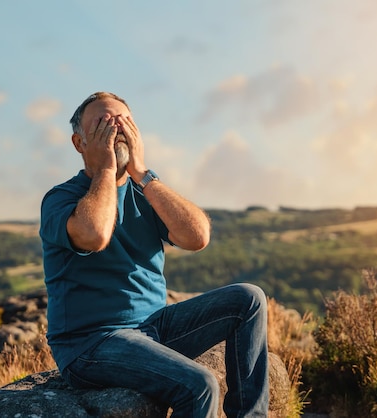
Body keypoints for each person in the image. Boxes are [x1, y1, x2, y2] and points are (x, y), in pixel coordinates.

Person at [39, 92, 269, 417]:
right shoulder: (61, 199)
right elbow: (93, 234)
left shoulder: (143, 191)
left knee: (249, 299)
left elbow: (197, 237)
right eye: (103, 124)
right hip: (92, 344)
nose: (115, 130)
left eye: (123, 122)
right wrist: (106, 169)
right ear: (79, 143)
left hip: (155, 328)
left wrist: (143, 172)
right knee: (200, 383)